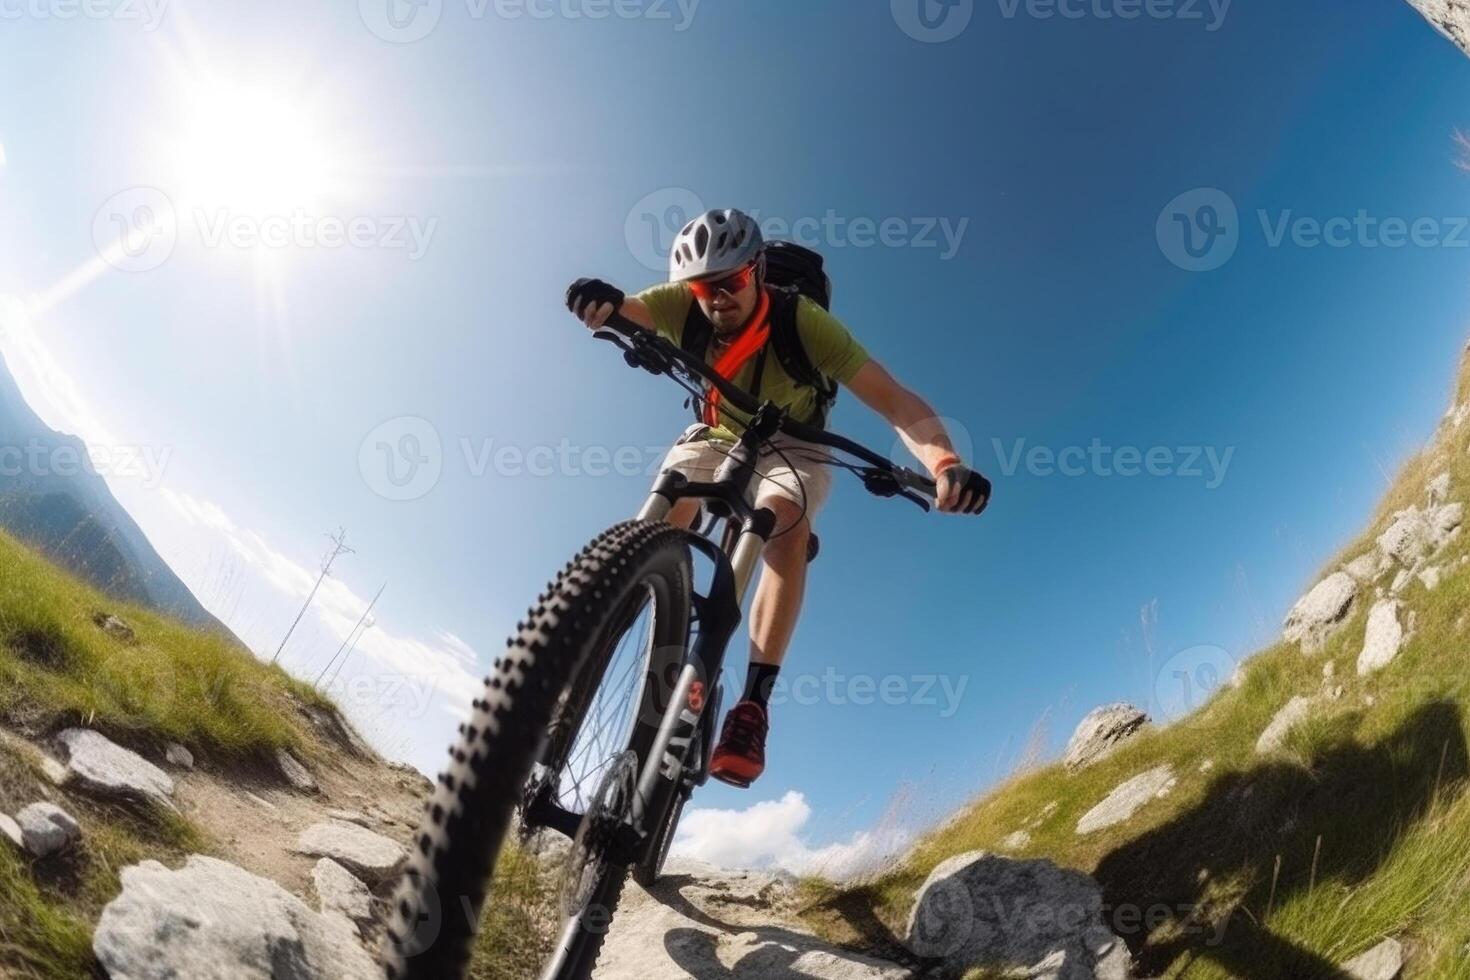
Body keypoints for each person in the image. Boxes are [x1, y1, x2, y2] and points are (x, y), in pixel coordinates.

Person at [565, 208, 989, 787]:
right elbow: (630, 310)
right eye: (702, 286)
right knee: (671, 501)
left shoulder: (805, 323)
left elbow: (895, 401)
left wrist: (944, 462)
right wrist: (602, 302)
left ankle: (752, 707)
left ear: (757, 271)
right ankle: (597, 632)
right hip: (716, 432)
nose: (716, 298)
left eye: (731, 281)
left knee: (784, 520)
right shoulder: (685, 303)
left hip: (796, 443)